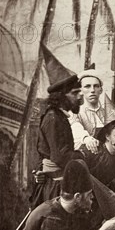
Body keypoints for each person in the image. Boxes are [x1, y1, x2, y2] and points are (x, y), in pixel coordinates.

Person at [32, 45, 85, 207]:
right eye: (75, 93)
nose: (80, 96)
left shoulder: (59, 116)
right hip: (55, 186)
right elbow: (60, 157)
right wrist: (81, 155)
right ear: (62, 96)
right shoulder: (53, 118)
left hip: (58, 180)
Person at [70, 63, 105, 153]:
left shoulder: (107, 112)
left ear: (101, 90)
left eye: (96, 86)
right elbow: (75, 127)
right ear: (81, 90)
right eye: (87, 86)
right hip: (86, 154)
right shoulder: (75, 112)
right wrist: (85, 138)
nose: (92, 90)